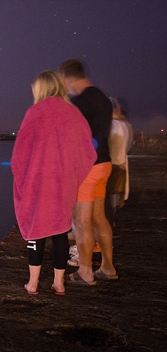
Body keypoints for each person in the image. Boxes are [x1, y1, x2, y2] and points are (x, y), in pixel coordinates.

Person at [12, 70, 96, 295]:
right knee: (60, 230)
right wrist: (73, 175)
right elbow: (88, 151)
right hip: (63, 183)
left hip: (39, 183)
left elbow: (19, 155)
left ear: (40, 89)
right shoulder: (74, 113)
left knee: (36, 230)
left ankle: (33, 283)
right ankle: (59, 283)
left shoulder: (35, 112)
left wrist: (21, 180)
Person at [59, 60, 118, 284]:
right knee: (99, 217)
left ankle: (85, 272)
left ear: (68, 78)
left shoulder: (79, 102)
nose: (66, 88)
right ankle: (107, 267)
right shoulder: (102, 98)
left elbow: (71, 138)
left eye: (64, 82)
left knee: (82, 221)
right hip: (104, 164)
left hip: (87, 168)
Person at [106, 97, 133, 224]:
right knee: (114, 198)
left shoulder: (115, 125)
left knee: (109, 198)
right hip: (120, 163)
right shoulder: (125, 125)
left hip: (113, 165)